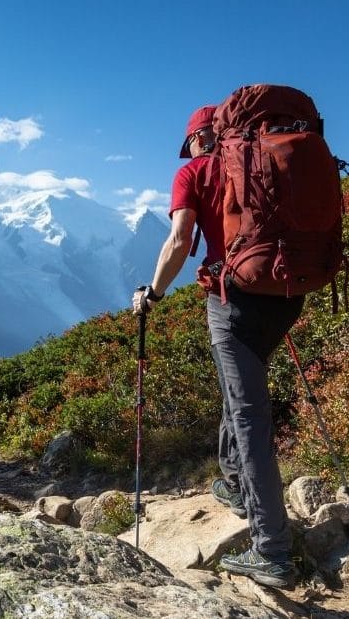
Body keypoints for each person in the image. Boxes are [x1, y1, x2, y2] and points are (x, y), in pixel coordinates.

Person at [131, 104, 304, 589]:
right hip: (288, 293)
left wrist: (154, 293)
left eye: (187, 144)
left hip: (234, 300)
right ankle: (234, 481)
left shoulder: (193, 172)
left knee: (248, 412)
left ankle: (271, 547)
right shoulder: (262, 162)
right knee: (242, 387)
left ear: (196, 141)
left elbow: (181, 239)